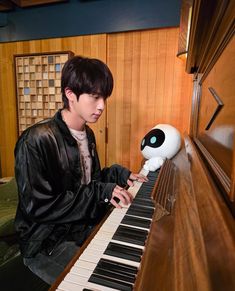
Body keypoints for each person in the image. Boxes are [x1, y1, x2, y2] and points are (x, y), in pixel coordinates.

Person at [14, 55, 147, 285]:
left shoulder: (88, 134)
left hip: (80, 228)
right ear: (70, 94)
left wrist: (118, 175)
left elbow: (86, 183)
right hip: (46, 243)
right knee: (103, 283)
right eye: (95, 97)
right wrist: (100, 192)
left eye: (104, 97)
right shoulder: (35, 140)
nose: (102, 106)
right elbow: (39, 207)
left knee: (131, 267)